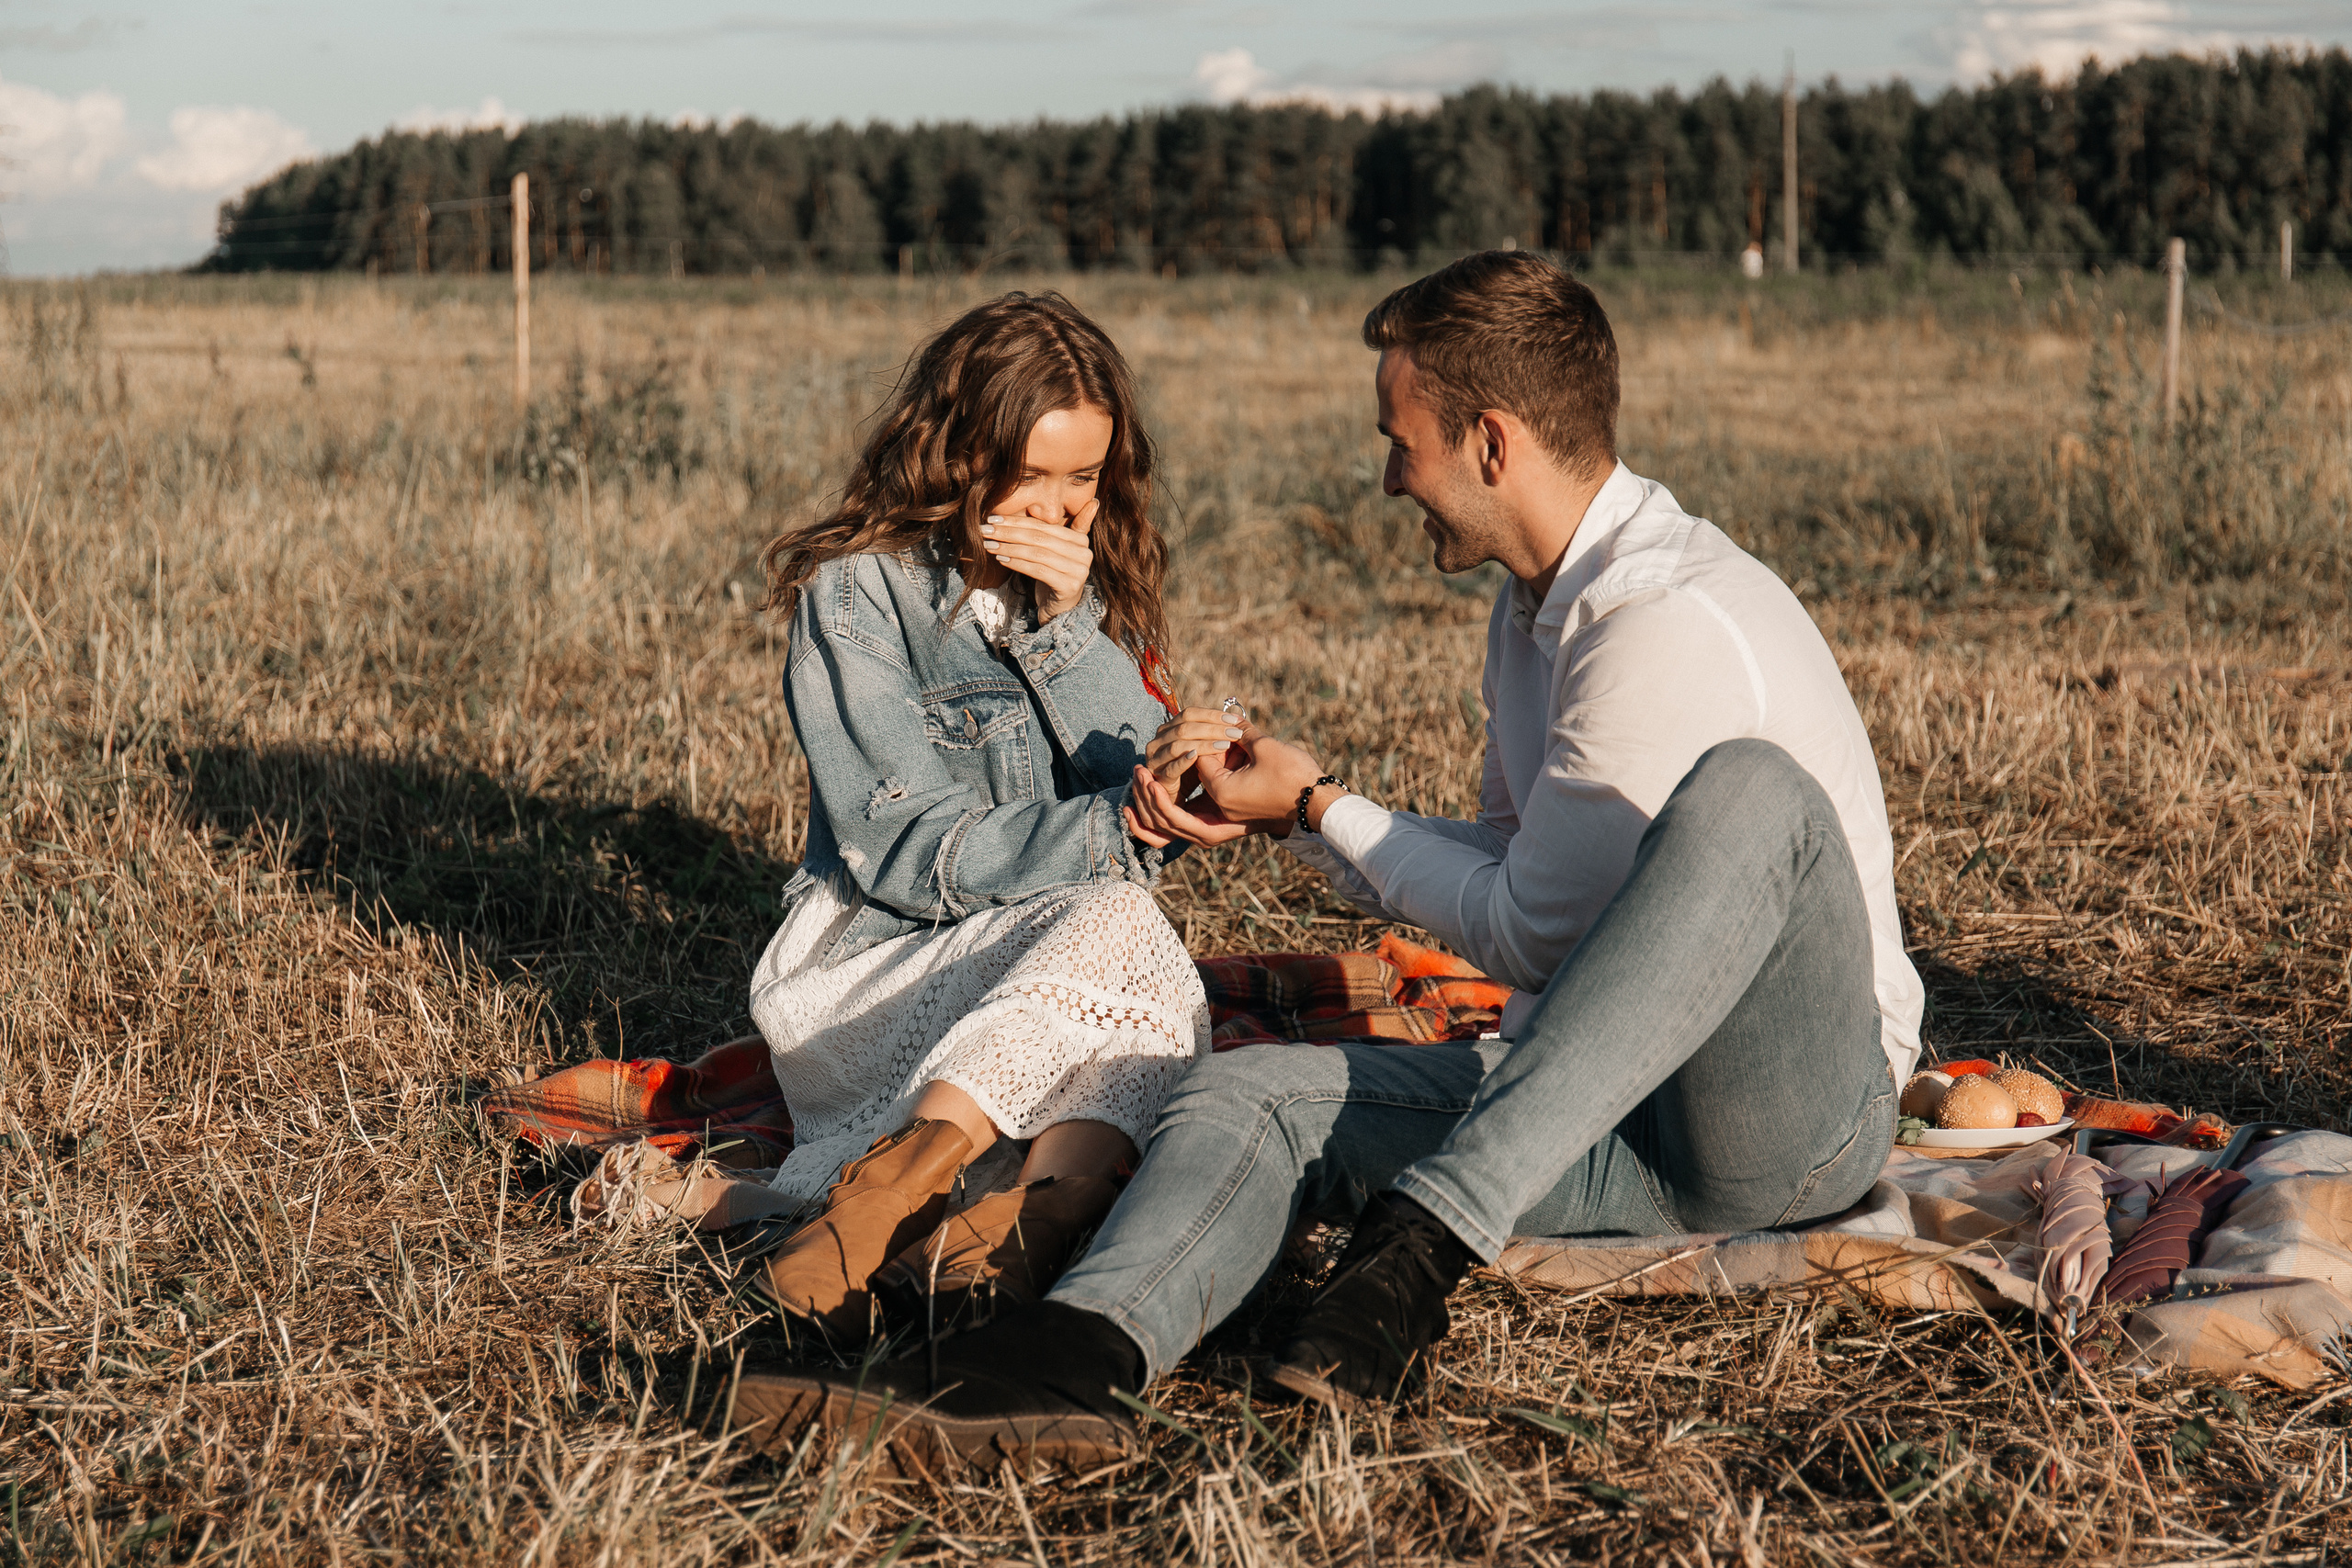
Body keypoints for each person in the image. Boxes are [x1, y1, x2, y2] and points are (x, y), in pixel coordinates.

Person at [727, 251, 1926, 1471]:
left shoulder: (1663, 615)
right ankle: (1070, 1354)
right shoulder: (1530, 611)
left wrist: (1316, 804)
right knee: (1239, 1093)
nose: (1388, 475)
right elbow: (1517, 864)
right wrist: (1306, 812)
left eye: (1402, 442)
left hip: (1779, 1124)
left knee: (1752, 791)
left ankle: (1418, 1248)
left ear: (1491, 443)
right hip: (1588, 1114)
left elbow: (1533, 931)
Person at [727, 291, 1230, 1347]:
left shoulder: (1089, 591)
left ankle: (1007, 1237)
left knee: (1136, 989)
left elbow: (1136, 801)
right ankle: (888, 1203)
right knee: (1134, 946)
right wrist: (1120, 832)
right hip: (872, 974)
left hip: (1037, 966)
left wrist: (1073, 637)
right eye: (1031, 474)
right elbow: (905, 851)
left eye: (1084, 477)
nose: (1061, 508)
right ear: (959, 455)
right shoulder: (856, 595)